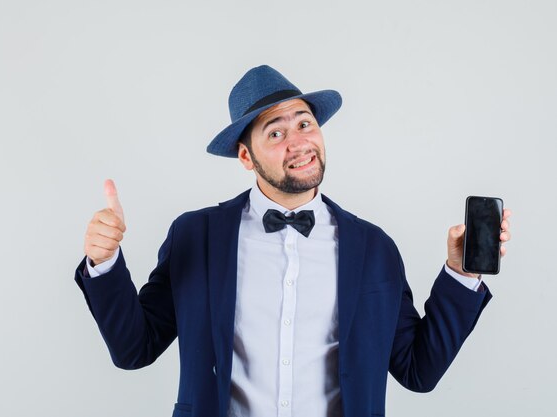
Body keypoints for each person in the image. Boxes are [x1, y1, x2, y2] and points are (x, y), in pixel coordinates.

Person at [74, 65, 512, 417]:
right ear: (246, 156)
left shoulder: (374, 247)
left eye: (305, 123)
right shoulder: (196, 236)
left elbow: (419, 370)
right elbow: (135, 348)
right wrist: (104, 262)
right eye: (276, 133)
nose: (299, 142)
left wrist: (462, 271)